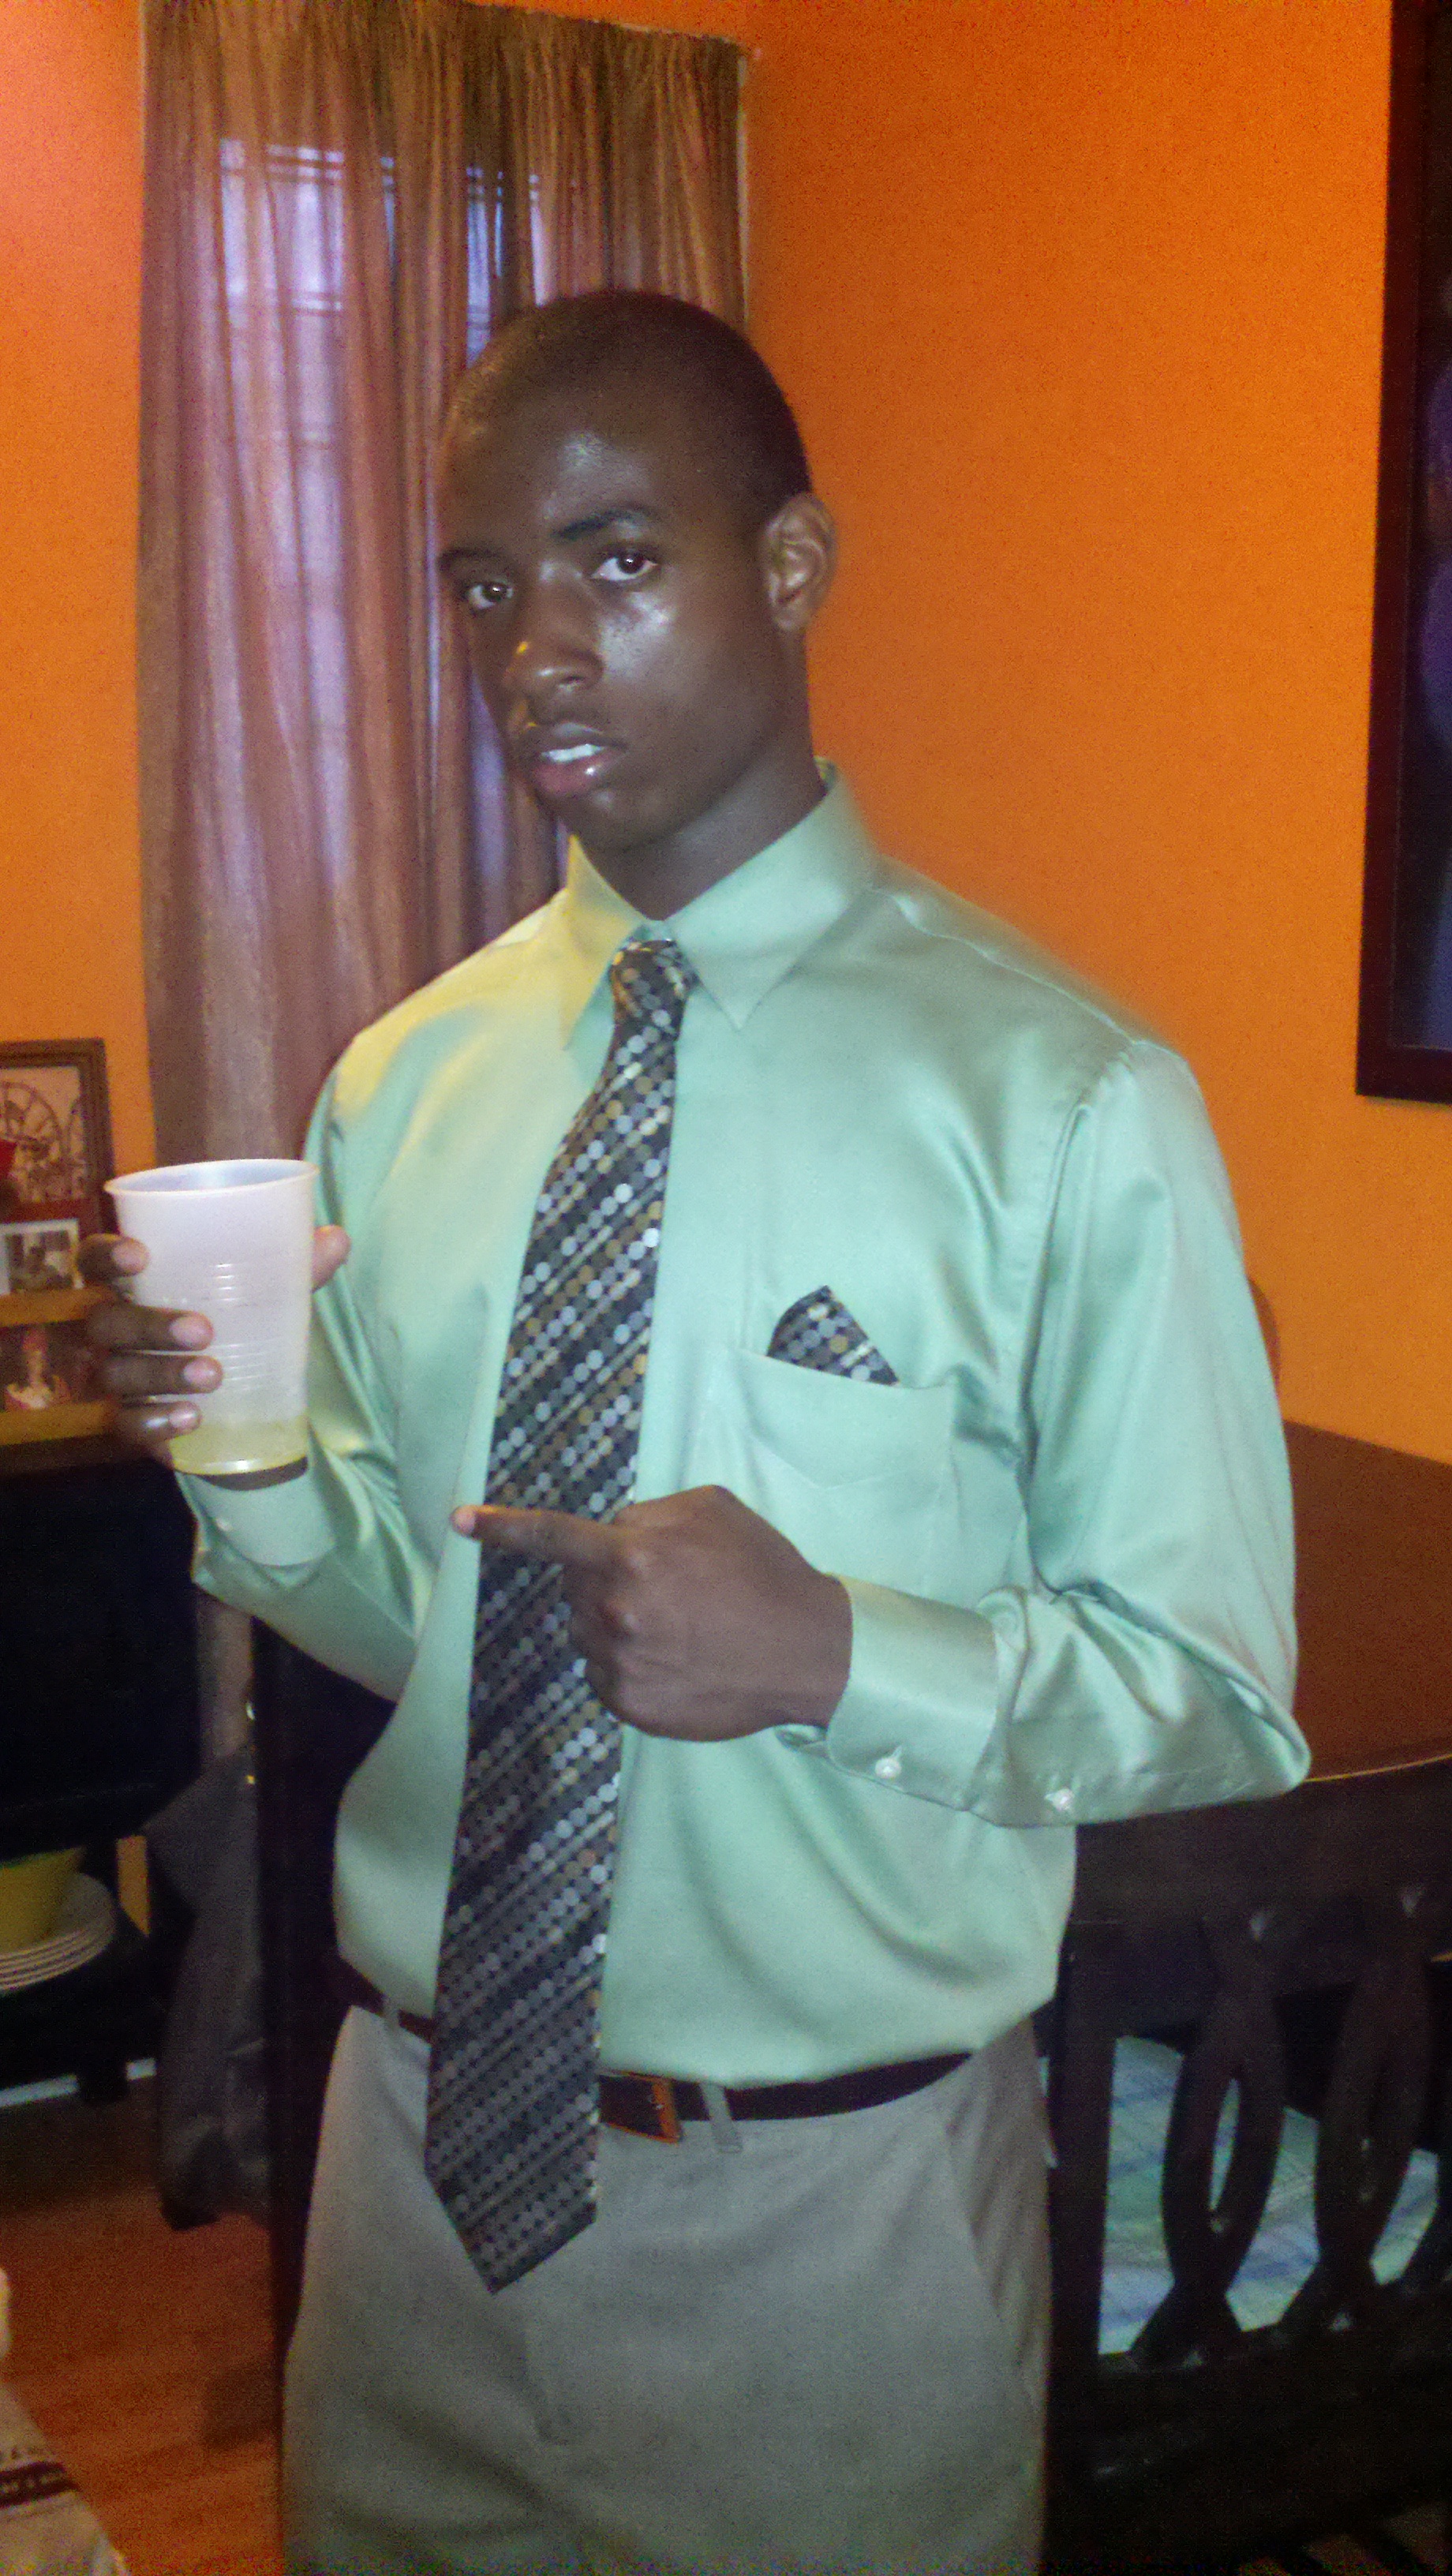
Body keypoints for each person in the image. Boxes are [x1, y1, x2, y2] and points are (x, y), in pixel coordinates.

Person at [88, 290, 1305, 2575]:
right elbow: (418, 1627)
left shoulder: (1064, 1104)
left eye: (620, 562)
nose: (537, 651)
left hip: (829, 2240)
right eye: (484, 586)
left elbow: (1217, 1698)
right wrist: (238, 1459)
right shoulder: (401, 1085)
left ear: (795, 565)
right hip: (410, 2189)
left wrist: (837, 1649)